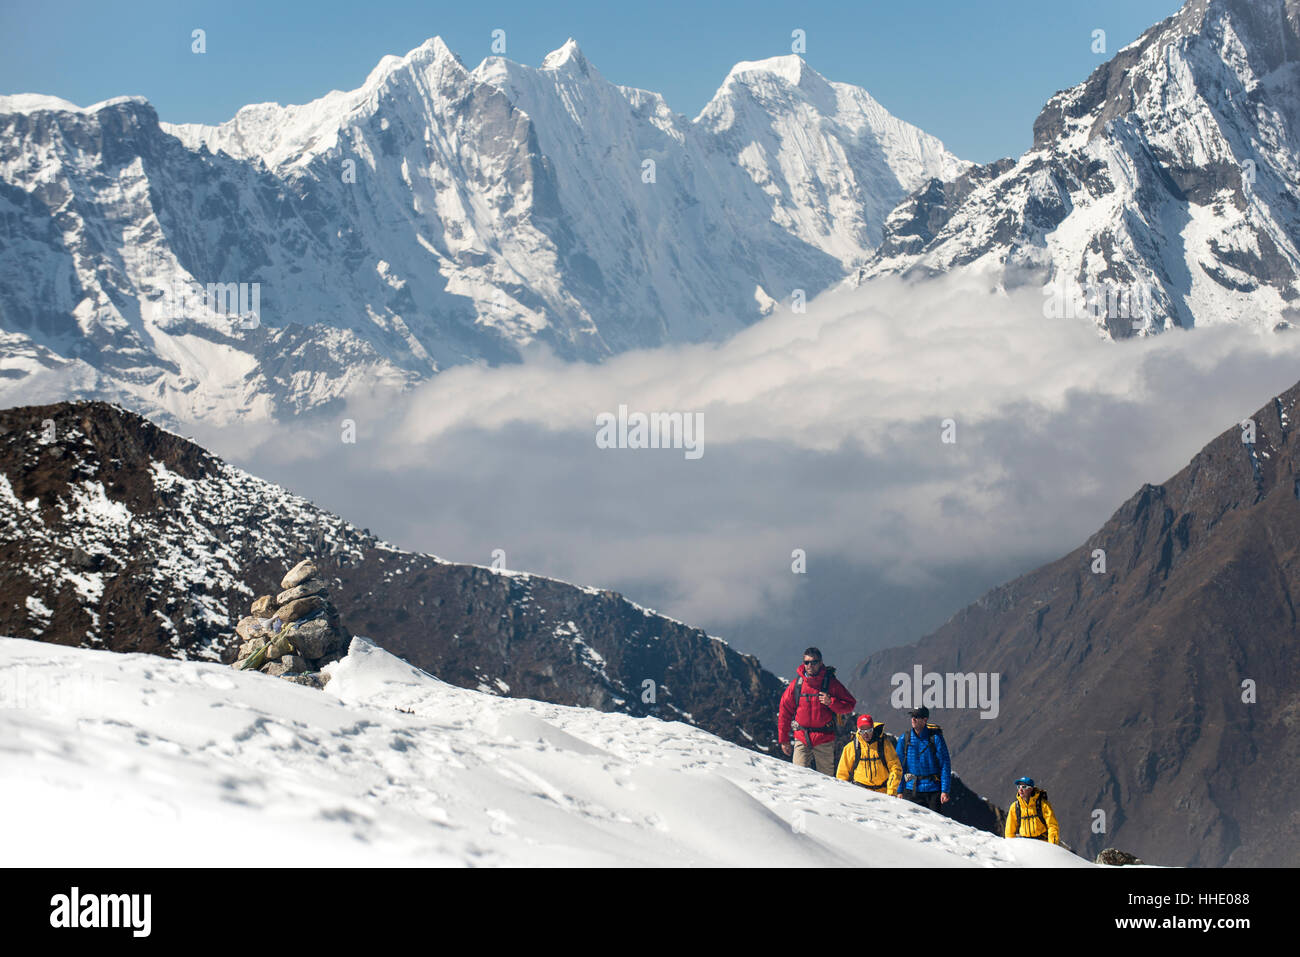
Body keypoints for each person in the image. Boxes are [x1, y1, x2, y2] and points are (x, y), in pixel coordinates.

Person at [778, 647, 856, 775]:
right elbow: (784, 711)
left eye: (813, 662)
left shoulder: (830, 683)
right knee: (798, 777)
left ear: (820, 663)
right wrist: (784, 740)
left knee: (827, 781)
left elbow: (850, 704)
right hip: (802, 737)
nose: (810, 665)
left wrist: (831, 702)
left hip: (824, 739)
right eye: (806, 662)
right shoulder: (797, 685)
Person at [895, 706, 950, 812]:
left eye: (916, 717)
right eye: (912, 716)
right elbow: (899, 767)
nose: (913, 719)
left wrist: (944, 790)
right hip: (911, 790)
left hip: (933, 791)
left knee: (936, 824)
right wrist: (899, 791)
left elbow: (945, 765)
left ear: (925, 720)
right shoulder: (904, 739)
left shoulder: (935, 738)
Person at [836, 714, 901, 795]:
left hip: (883, 793)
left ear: (873, 728)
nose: (865, 734)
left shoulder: (885, 745)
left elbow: (895, 768)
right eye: (862, 731)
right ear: (858, 729)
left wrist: (891, 790)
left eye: (869, 730)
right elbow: (842, 775)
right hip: (859, 792)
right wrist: (843, 794)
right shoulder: (850, 748)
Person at [1005, 777, 1060, 844]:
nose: (1020, 789)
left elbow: (1052, 826)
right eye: (1019, 786)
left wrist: (1052, 846)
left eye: (1024, 787)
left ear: (1030, 789)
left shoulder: (1043, 805)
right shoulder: (1015, 807)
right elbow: (1009, 830)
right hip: (1024, 846)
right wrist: (1011, 846)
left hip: (1043, 845)